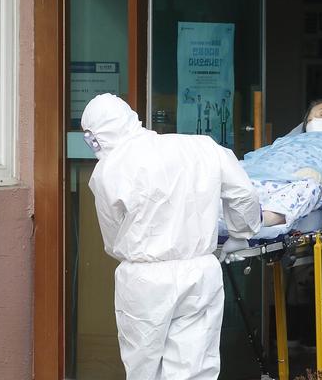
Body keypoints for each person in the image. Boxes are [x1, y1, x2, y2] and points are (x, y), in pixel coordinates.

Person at [81, 93, 261, 379]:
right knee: (194, 366)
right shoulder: (201, 147)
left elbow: (113, 239)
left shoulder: (108, 171)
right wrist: (241, 234)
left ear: (95, 137)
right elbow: (243, 193)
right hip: (200, 270)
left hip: (144, 278)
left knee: (144, 367)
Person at [238, 97, 322, 230]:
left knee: (309, 187)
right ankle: (228, 214)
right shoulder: (286, 141)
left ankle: (270, 217)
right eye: (309, 120)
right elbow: (257, 158)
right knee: (233, 183)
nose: (314, 121)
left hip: (298, 183)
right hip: (262, 179)